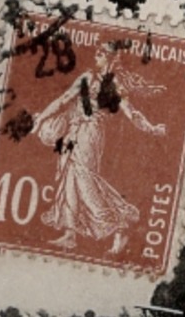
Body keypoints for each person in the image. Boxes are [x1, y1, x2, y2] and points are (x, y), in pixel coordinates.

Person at [33, 43, 167, 255]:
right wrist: (41, 118)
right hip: (73, 130)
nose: (96, 56)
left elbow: (131, 112)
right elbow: (64, 99)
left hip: (92, 133)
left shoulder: (116, 84)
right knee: (69, 178)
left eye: (101, 53)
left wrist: (152, 128)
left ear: (112, 59)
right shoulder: (87, 77)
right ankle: (70, 234)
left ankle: (119, 226)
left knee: (85, 178)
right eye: (96, 53)